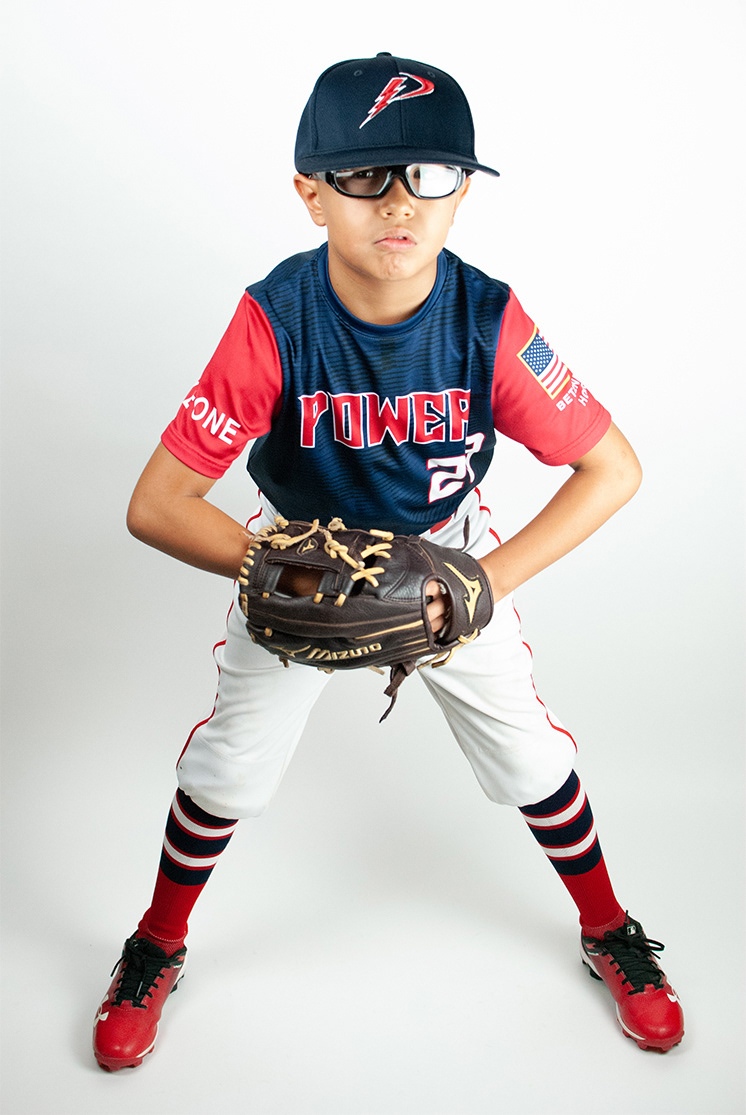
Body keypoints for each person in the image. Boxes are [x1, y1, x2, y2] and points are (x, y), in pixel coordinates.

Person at [92, 52, 684, 1071]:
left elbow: (610, 467)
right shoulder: (275, 317)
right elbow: (155, 504)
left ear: (462, 190)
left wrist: (481, 582)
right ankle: (156, 939)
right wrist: (275, 564)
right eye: (364, 176)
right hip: (294, 569)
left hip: (446, 566)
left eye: (430, 173)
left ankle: (606, 927)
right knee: (226, 768)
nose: (399, 201)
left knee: (535, 759)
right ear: (309, 191)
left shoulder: (485, 319)